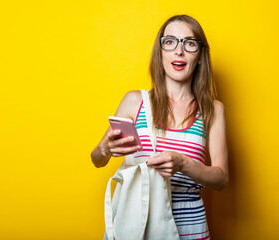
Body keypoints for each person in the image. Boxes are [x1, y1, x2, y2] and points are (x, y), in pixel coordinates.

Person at [91, 14, 228, 239]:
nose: (179, 51)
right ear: (161, 51)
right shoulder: (135, 102)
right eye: (170, 42)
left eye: (190, 43)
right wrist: (105, 149)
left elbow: (221, 179)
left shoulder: (213, 109)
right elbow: (97, 159)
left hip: (191, 228)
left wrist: (183, 163)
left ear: (200, 56)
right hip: (138, 225)